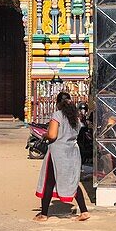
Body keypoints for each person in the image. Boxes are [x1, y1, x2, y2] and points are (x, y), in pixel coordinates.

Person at [34, 91, 90, 222]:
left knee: (49, 181)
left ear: (58, 103)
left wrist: (44, 135)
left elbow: (52, 135)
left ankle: (43, 214)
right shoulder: (76, 117)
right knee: (73, 180)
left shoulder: (57, 115)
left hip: (58, 153)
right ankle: (84, 211)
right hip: (72, 152)